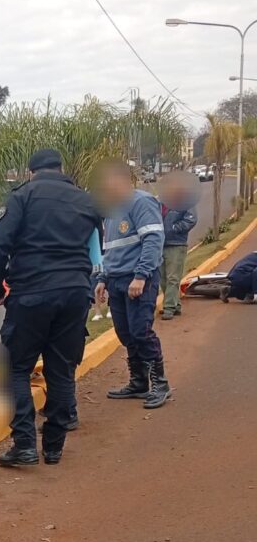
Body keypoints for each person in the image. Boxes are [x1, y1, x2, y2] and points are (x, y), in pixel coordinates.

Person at [0, 147, 102, 467]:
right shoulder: (85, 199)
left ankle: (24, 444)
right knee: (61, 370)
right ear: (60, 168)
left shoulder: (23, 196)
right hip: (76, 293)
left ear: (31, 171)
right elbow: (97, 245)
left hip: (32, 293)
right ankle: (53, 446)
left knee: (16, 368)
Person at [94, 161, 170, 409]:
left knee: (141, 331)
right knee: (125, 334)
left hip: (137, 280)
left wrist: (141, 275)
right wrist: (102, 278)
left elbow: (153, 240)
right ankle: (138, 381)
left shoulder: (142, 202)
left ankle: (160, 383)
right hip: (115, 281)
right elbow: (110, 250)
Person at [160, 190, 197, 320]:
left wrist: (175, 228)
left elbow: (191, 219)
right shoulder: (160, 202)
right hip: (160, 245)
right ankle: (175, 305)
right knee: (162, 278)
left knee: (173, 277)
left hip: (176, 244)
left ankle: (169, 307)